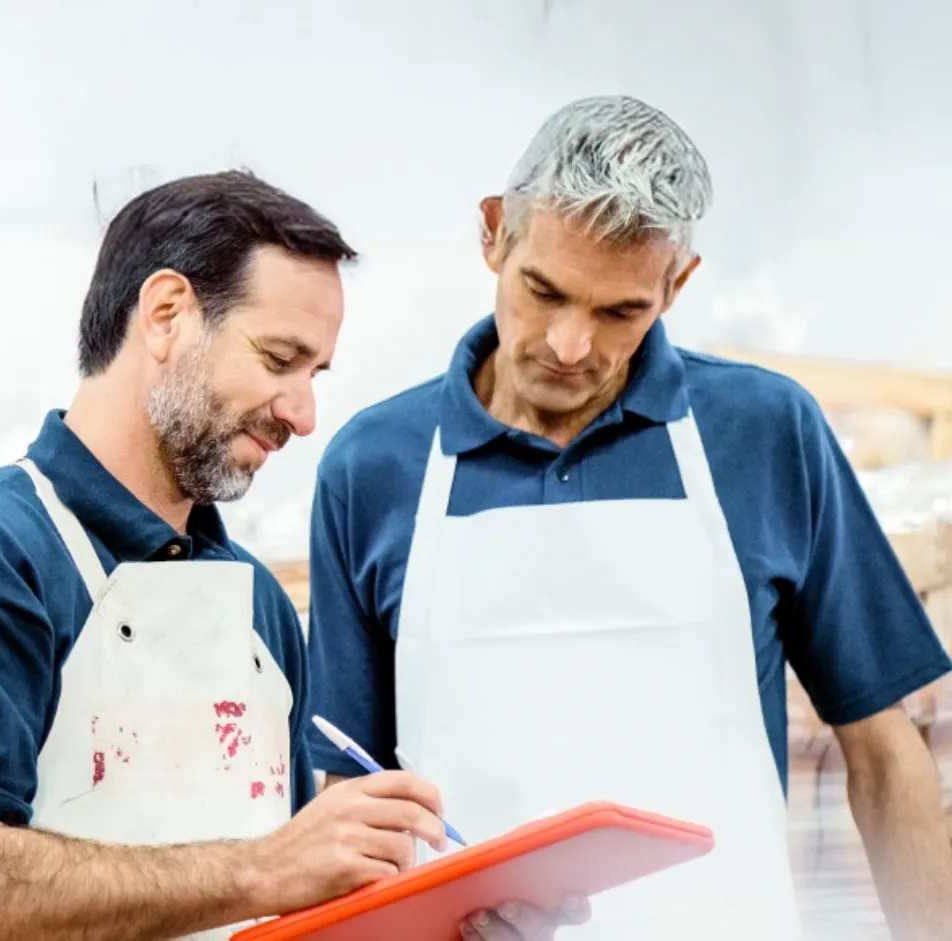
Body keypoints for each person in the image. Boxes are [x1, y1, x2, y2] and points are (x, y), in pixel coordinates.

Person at [305, 96, 952, 941]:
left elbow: (881, 747)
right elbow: (346, 806)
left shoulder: (763, 433)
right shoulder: (373, 466)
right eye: (544, 291)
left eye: (621, 312)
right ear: (494, 232)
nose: (570, 346)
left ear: (676, 283)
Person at [0, 170, 464, 941]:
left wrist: (448, 910)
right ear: (166, 315)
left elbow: (298, 898)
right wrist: (262, 867)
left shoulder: (258, 605)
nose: (304, 416)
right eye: (279, 359)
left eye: (316, 374)